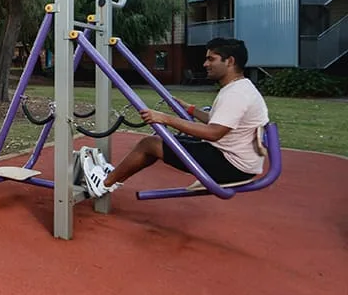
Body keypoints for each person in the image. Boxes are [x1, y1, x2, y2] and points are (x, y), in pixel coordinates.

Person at [82, 38, 269, 197]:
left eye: (211, 59)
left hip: (231, 165)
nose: (205, 64)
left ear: (230, 61)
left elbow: (214, 132)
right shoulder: (239, 88)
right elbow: (217, 120)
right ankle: (115, 176)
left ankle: (104, 184)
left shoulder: (236, 94)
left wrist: (165, 118)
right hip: (234, 158)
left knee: (150, 144)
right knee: (160, 141)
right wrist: (190, 109)